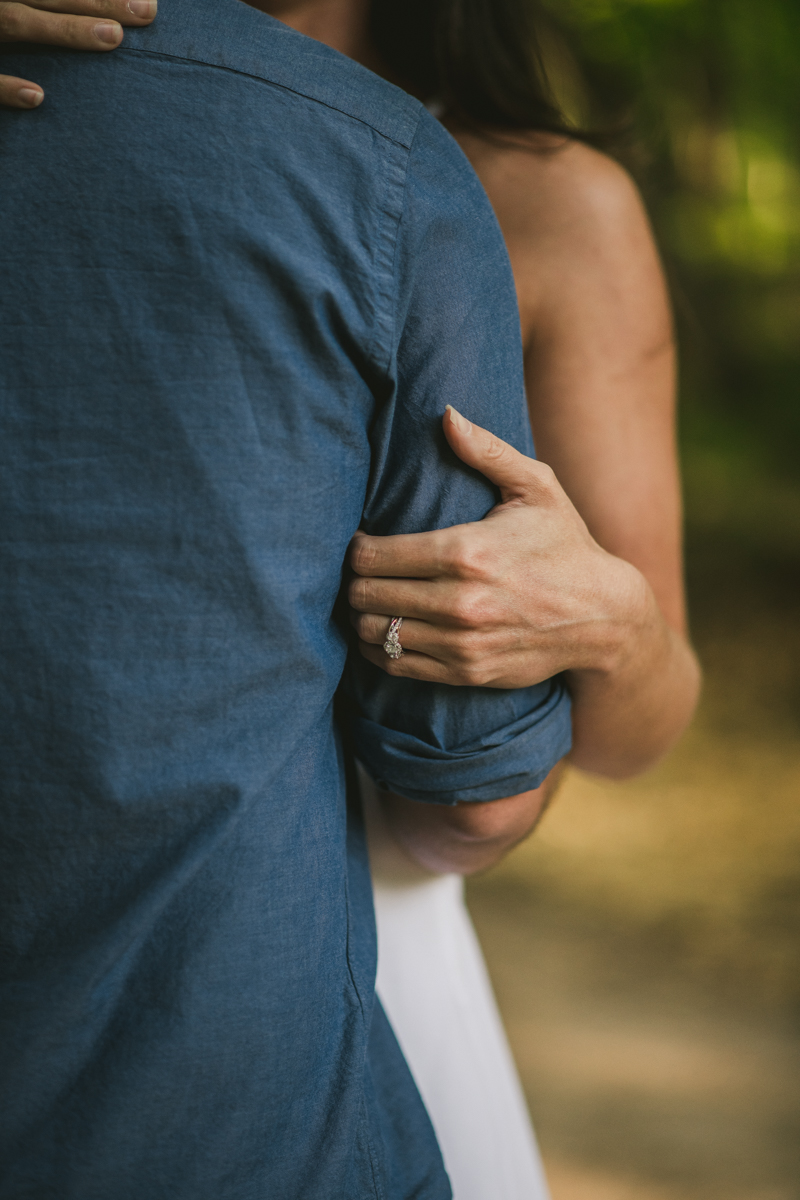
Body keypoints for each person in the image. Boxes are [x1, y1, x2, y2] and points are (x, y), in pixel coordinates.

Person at [2, 1, 701, 1196]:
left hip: (366, 945)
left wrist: (614, 622)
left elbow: (635, 730)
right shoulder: (59, 87)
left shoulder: (547, 203)